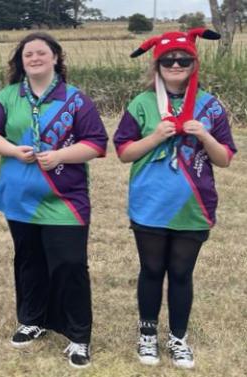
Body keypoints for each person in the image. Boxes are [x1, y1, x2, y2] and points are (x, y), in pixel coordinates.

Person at [0, 32, 108, 368]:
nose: (34, 58)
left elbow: (96, 143)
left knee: (70, 265)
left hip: (64, 198)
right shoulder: (7, 97)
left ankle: (79, 337)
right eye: (27, 54)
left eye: (40, 53)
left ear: (55, 58)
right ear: (21, 62)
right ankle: (31, 320)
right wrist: (12, 151)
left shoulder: (76, 100)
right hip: (20, 198)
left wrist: (61, 155)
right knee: (28, 261)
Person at [114, 28, 235, 369]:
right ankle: (147, 336)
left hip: (193, 205)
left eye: (184, 58)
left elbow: (225, 158)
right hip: (149, 203)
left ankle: (178, 339)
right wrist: (155, 136)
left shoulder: (210, 105)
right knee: (151, 270)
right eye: (168, 60)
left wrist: (204, 135)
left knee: (181, 273)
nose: (176, 64)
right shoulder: (141, 103)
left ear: (194, 64)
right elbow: (124, 153)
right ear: (157, 65)